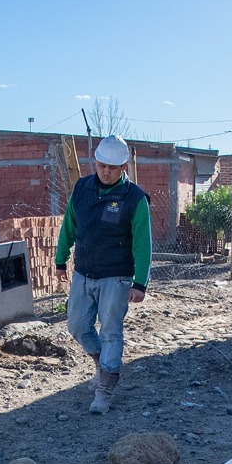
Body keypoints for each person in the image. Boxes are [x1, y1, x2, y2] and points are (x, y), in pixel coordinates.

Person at [55, 135, 152, 415]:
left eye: (112, 167)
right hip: (84, 273)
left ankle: (105, 389)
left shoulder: (134, 199)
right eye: (101, 165)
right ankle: (101, 364)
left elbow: (143, 244)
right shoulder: (82, 189)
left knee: (111, 332)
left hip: (117, 277)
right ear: (94, 162)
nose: (105, 171)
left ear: (123, 167)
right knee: (77, 325)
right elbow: (68, 227)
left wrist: (140, 283)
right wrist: (60, 260)